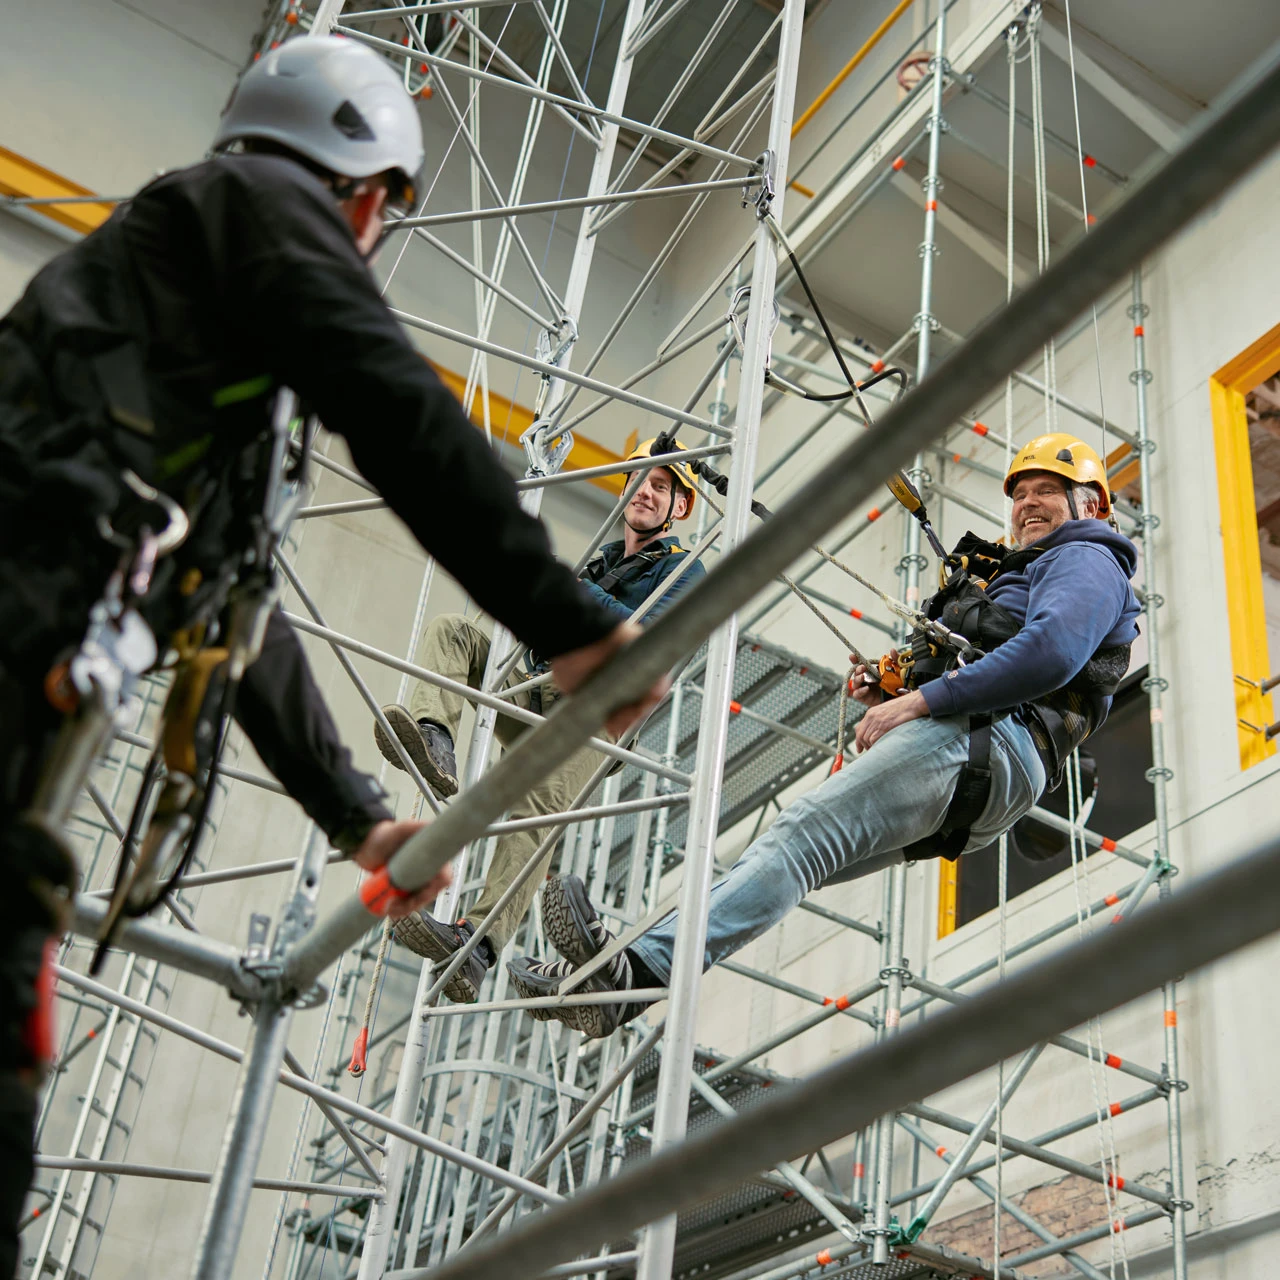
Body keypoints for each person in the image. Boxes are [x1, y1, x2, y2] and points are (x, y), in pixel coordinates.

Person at [0, 36, 663, 1273]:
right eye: (380, 212)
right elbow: (391, 401)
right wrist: (568, 624)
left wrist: (358, 818)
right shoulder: (249, 202)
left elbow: (234, 614)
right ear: (359, 188)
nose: (370, 238)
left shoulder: (196, 371)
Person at [507, 433, 1142, 1037]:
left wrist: (921, 700)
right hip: (986, 769)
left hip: (988, 740)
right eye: (1020, 493)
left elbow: (1050, 654)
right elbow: (1014, 653)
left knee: (798, 834)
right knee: (797, 856)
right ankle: (615, 980)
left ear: (1089, 505)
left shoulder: (1087, 557)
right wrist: (894, 693)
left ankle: (631, 974)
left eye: (1046, 490)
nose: (1028, 503)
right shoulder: (1031, 572)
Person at [373, 438, 706, 1001]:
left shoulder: (683, 571)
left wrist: (573, 591)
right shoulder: (601, 561)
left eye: (661, 486)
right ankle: (434, 740)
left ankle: (477, 945)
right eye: (639, 479)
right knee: (453, 634)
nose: (645, 491)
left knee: (539, 808)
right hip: (538, 685)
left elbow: (649, 643)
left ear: (680, 507)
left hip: (596, 711)